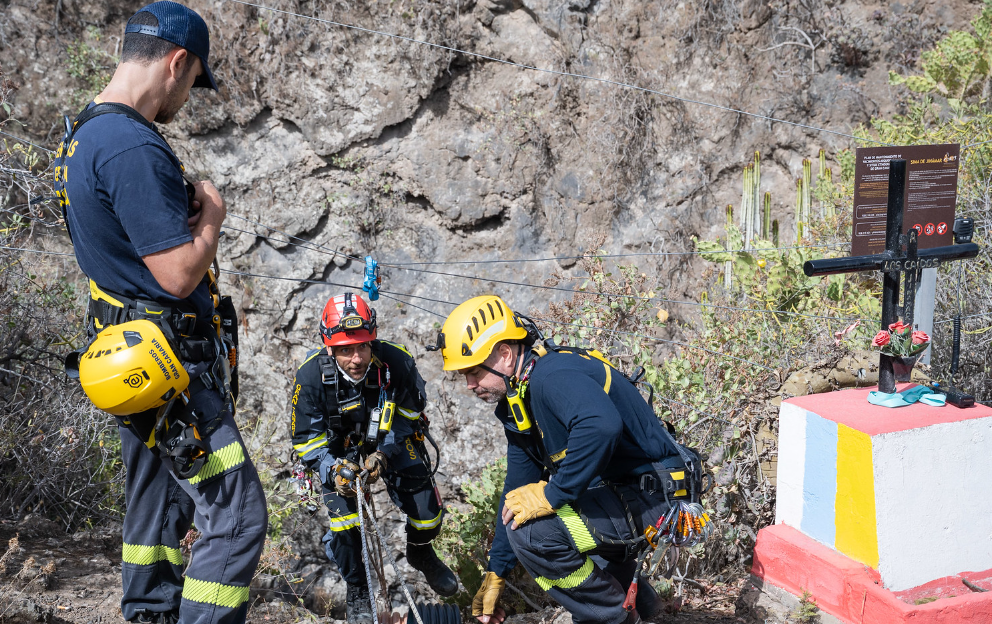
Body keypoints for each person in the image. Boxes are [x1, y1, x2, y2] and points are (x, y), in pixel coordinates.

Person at [54, 3, 267, 624]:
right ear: (177, 62)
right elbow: (176, 274)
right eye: (194, 80)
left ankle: (149, 613)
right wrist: (212, 218)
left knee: (158, 509)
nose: (188, 97)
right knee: (236, 514)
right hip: (166, 366)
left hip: (132, 362)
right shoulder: (129, 145)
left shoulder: (85, 132)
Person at [432, 295, 703, 624]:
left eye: (474, 371)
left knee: (533, 533)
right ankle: (648, 610)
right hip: (634, 496)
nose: (470, 384)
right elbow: (516, 491)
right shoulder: (519, 402)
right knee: (544, 523)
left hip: (657, 497)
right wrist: (496, 573)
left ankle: (611, 619)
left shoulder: (552, 376)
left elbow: (601, 426)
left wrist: (552, 494)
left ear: (504, 354)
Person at [290, 292, 458, 623]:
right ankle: (358, 590)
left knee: (427, 510)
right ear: (329, 347)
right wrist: (333, 470)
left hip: (389, 439)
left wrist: (384, 452)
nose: (356, 358)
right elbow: (307, 440)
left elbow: (409, 415)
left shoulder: (397, 362)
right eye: (345, 350)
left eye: (363, 347)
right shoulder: (310, 377)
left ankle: (421, 552)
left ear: (373, 341)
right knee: (344, 524)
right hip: (337, 450)